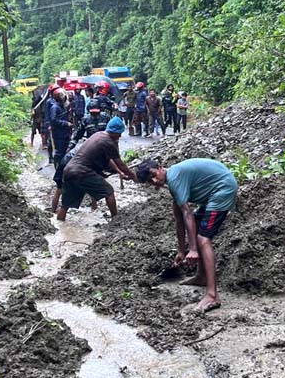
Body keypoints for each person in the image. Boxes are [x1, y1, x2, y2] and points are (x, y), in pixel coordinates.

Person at [135, 158, 238, 312]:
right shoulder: (173, 181)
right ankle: (202, 276)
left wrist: (194, 249)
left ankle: (212, 295)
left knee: (203, 239)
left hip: (222, 189)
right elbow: (179, 218)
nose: (155, 181)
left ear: (160, 167)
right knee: (196, 226)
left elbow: (187, 213)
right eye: (150, 181)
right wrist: (182, 250)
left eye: (154, 175)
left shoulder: (175, 178)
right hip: (211, 194)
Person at [57, 117, 138, 221]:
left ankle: (60, 227)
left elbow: (109, 160)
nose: (120, 136)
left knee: (65, 205)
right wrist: (133, 176)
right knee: (109, 191)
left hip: (69, 170)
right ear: (114, 132)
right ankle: (116, 220)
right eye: (119, 133)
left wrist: (118, 171)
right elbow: (120, 163)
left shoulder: (98, 135)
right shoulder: (108, 142)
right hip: (82, 171)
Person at [49, 88, 73, 167]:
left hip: (64, 132)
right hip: (59, 134)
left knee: (64, 150)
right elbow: (54, 120)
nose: (64, 97)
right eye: (62, 95)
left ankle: (63, 167)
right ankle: (58, 169)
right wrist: (66, 123)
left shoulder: (62, 107)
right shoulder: (55, 107)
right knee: (59, 152)